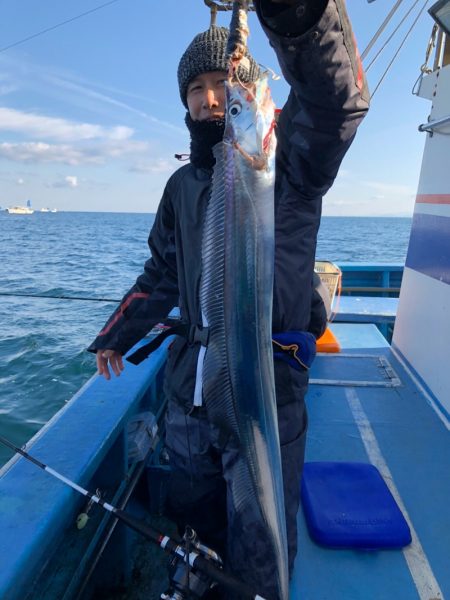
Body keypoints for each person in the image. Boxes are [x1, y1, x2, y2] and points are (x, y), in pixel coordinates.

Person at [88, 1, 369, 597]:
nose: (214, 99)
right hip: (192, 387)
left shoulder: (287, 161)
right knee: (196, 519)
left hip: (268, 380)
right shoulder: (181, 186)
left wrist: (297, 15)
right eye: (198, 88)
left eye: (225, 86)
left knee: (261, 531)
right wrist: (118, 333)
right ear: (184, 101)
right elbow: (161, 271)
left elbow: (335, 101)